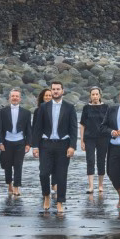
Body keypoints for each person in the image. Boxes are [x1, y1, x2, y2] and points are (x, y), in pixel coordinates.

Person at [35, 80, 77, 215]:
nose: (56, 91)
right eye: (53, 89)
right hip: (46, 143)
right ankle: (46, 196)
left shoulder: (69, 108)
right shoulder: (43, 107)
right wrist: (35, 146)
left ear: (62, 91)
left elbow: (73, 128)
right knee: (43, 173)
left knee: (61, 175)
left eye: (58, 89)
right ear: (51, 91)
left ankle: (59, 202)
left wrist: (72, 146)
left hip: (63, 144)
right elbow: (37, 127)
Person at [0, 87, 31, 198]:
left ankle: (17, 186)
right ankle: (9, 184)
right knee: (7, 165)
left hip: (20, 141)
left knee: (18, 165)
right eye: (13, 96)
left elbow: (28, 130)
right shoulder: (2, 112)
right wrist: (0, 142)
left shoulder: (26, 113)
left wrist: (28, 144)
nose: (15, 98)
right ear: (9, 98)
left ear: (20, 99)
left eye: (17, 96)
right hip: (7, 141)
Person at [80, 87, 112, 200]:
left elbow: (110, 123)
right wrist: (81, 140)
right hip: (89, 138)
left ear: (100, 95)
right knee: (90, 160)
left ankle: (100, 185)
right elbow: (82, 125)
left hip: (103, 137)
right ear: (90, 96)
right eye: (92, 94)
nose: (94, 96)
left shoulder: (106, 107)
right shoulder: (86, 108)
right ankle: (91, 186)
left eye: (96, 94)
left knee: (101, 160)